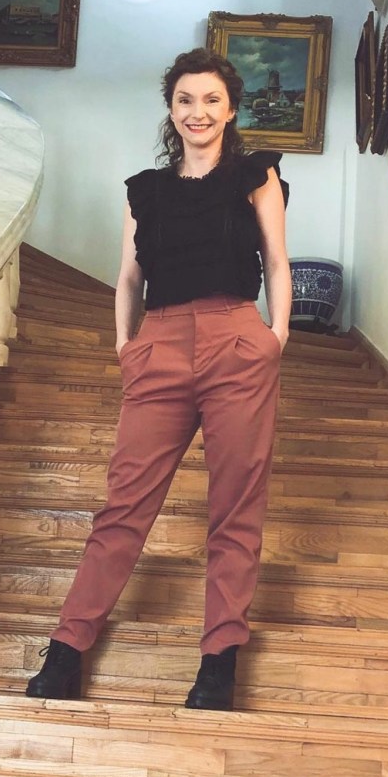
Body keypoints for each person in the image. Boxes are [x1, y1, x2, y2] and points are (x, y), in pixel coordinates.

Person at [26, 47, 291, 711]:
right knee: (124, 506)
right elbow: (127, 276)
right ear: (171, 110)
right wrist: (126, 345)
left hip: (237, 339)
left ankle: (219, 663)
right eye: (185, 100)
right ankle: (66, 650)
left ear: (230, 110)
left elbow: (277, 262)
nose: (197, 112)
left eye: (210, 100)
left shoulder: (256, 176)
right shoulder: (144, 190)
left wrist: (276, 336)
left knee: (234, 507)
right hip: (160, 343)